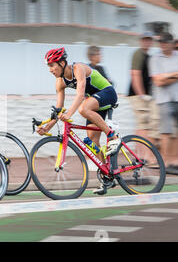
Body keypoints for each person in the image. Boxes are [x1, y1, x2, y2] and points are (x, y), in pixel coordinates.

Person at [36, 47, 118, 195]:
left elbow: (80, 95)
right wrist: (47, 127)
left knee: (82, 109)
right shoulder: (60, 82)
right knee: (92, 142)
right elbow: (58, 110)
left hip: (107, 93)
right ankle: (108, 175)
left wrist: (69, 113)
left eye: (52, 65)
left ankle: (112, 136)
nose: (50, 70)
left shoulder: (78, 68)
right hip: (94, 103)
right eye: (48, 66)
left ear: (61, 63)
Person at [127, 31, 160, 159]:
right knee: (142, 125)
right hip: (138, 96)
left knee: (147, 125)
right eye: (145, 40)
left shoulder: (149, 56)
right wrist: (141, 95)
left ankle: (144, 155)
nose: (147, 42)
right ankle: (141, 156)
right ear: (141, 41)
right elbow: (135, 74)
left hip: (147, 95)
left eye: (149, 40)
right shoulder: (138, 54)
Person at [149, 32, 178, 174]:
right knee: (166, 132)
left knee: (176, 133)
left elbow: (162, 78)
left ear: (172, 43)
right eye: (161, 42)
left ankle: (175, 161)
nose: (163, 45)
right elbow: (158, 81)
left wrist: (166, 76)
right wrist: (174, 75)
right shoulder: (155, 58)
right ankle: (165, 163)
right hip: (164, 99)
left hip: (176, 98)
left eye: (166, 42)